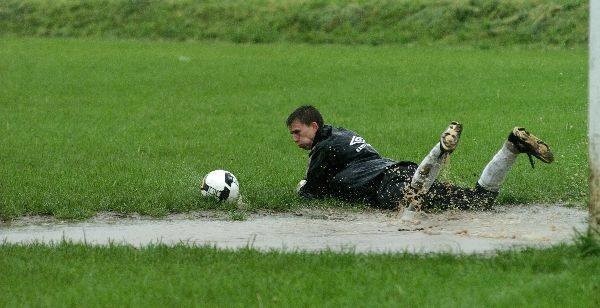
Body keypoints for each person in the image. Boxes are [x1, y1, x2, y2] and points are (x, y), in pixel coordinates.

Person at [286, 105, 554, 215]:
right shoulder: (343, 135)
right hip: (401, 169)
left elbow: (310, 192)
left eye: (298, 132)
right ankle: (511, 148)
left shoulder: (325, 148)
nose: (295, 139)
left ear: (313, 126)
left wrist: (300, 187)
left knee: (412, 200)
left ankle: (440, 149)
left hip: (387, 185)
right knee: (479, 202)